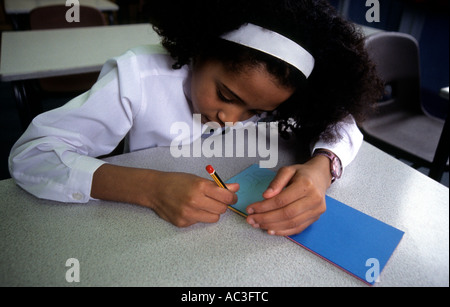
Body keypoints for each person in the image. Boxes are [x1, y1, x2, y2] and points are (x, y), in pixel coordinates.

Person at [9, 0, 383, 236]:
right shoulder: (138, 76)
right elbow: (33, 155)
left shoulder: (279, 88)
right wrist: (150, 188)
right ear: (199, 48)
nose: (232, 119)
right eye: (226, 95)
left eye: (256, 112)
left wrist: (322, 168)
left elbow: (342, 124)